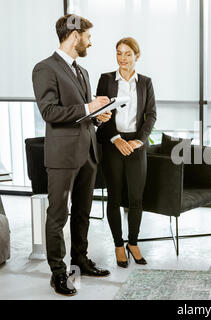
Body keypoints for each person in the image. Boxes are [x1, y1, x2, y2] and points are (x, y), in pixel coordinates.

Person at [32, 14, 112, 296]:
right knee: (58, 216)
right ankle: (58, 273)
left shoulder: (82, 71)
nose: (91, 41)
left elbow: (83, 114)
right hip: (63, 157)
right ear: (75, 36)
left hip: (87, 152)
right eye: (88, 36)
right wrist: (89, 107)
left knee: (82, 213)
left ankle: (80, 259)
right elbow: (49, 112)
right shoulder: (45, 68)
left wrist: (98, 116)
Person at [96, 37, 156, 268]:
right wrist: (115, 138)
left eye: (128, 54)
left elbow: (150, 114)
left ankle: (133, 242)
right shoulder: (106, 80)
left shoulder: (145, 82)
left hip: (136, 144)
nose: (123, 58)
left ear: (137, 56)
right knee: (114, 196)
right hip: (113, 142)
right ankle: (118, 245)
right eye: (119, 53)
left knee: (136, 198)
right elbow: (102, 111)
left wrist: (140, 141)